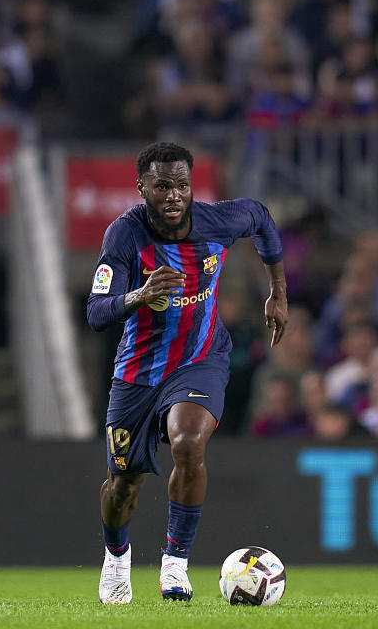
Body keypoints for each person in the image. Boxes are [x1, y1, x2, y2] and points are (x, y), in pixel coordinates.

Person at [86, 142, 287, 604]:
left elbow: (262, 218)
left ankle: (175, 563)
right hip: (138, 371)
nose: (174, 195)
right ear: (142, 188)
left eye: (182, 185)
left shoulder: (218, 221)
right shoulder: (124, 236)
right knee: (123, 486)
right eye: (162, 186)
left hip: (201, 358)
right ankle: (116, 559)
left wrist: (277, 291)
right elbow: (97, 311)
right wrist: (138, 296)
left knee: (188, 443)